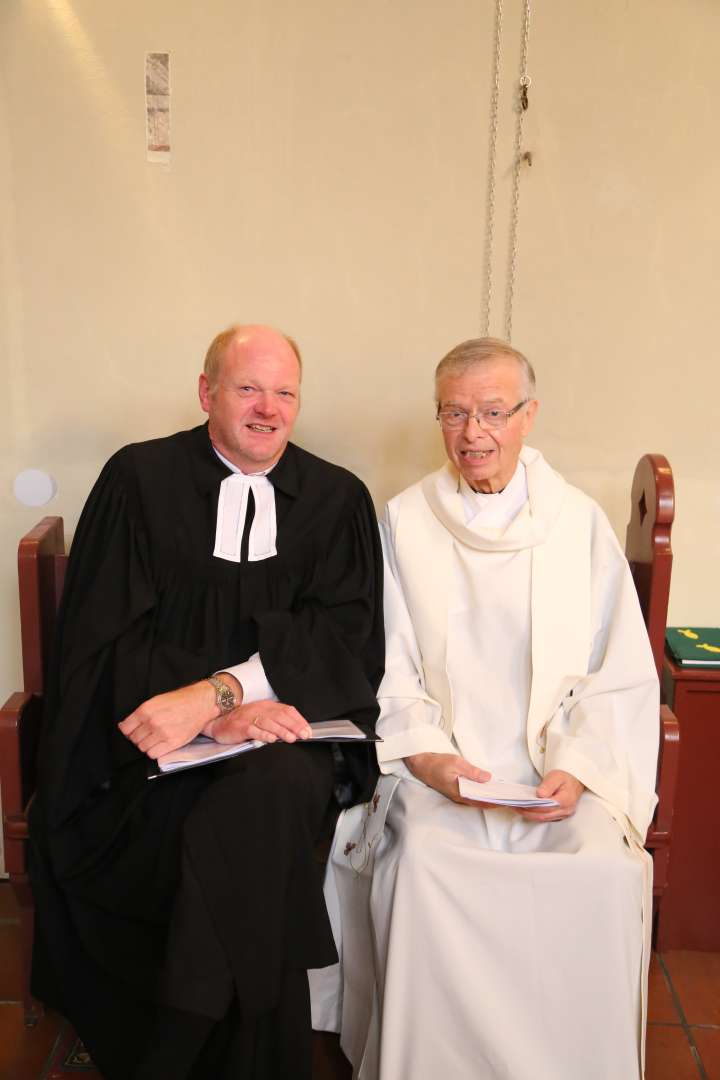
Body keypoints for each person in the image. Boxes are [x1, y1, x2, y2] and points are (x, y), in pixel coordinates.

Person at [29, 324, 384, 1079]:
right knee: (245, 824)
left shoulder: (336, 499)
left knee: (276, 785)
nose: (268, 409)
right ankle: (262, 1055)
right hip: (147, 748)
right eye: (248, 388)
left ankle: (169, 1054)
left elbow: (346, 643)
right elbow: (101, 640)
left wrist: (229, 693)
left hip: (284, 733)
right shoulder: (139, 480)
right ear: (206, 393)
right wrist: (210, 714)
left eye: (284, 392)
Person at [325, 338, 659, 1080]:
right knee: (425, 872)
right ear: (438, 418)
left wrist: (577, 768)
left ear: (528, 416)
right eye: (454, 412)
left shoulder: (580, 525)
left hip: (553, 778)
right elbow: (390, 663)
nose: (473, 432)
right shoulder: (405, 521)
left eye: (492, 412)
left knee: (602, 872)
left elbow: (620, 673)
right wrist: (429, 756)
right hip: (444, 771)